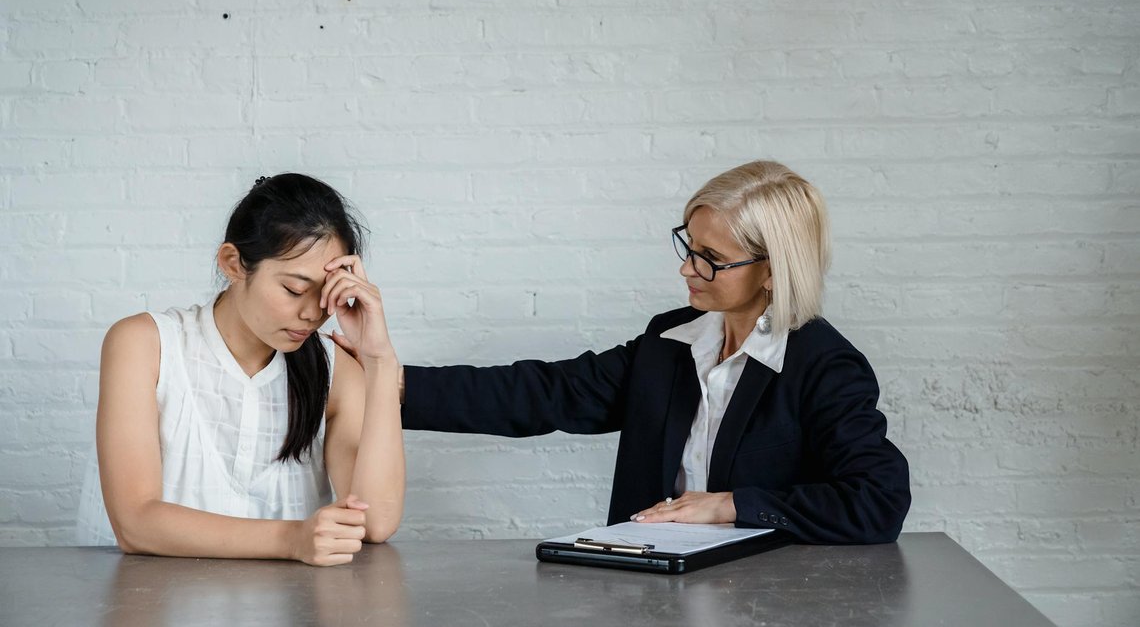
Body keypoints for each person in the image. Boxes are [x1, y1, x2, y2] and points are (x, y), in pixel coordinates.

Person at [391, 160, 909, 543]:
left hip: (766, 601)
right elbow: (547, 392)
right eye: (689, 247)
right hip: (650, 595)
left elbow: (878, 500)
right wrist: (388, 385)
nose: (687, 269)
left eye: (711, 259)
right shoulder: (669, 342)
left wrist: (729, 506)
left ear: (773, 270)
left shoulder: (823, 365)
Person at [76, 173, 404, 566]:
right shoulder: (145, 345)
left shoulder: (335, 373)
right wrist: (291, 539)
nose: (313, 313)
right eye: (295, 290)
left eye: (327, 293)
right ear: (234, 264)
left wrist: (380, 361)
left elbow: (375, 522)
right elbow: (135, 523)